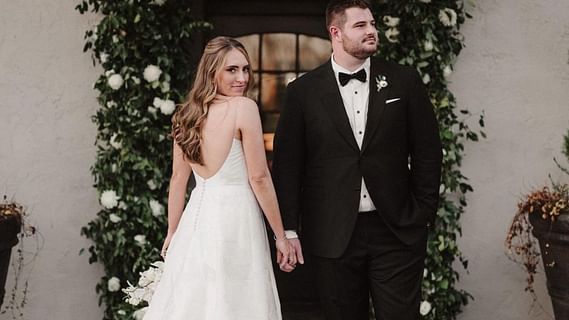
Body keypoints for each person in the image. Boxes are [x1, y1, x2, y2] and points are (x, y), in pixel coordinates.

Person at [271, 0, 443, 319]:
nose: (372, 31)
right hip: (332, 233)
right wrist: (290, 229)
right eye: (361, 26)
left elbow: (428, 151)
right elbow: (287, 166)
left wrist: (423, 211)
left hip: (395, 229)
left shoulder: (403, 81)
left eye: (373, 24)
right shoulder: (302, 92)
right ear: (336, 33)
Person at [143, 36, 295, 320]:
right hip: (237, 220)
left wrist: (173, 232)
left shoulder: (184, 115)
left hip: (195, 221)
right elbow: (259, 178)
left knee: (200, 301)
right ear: (212, 72)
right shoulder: (243, 108)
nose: (242, 78)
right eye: (232, 70)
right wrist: (281, 236)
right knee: (238, 301)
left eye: (245, 69)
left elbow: (178, 180)